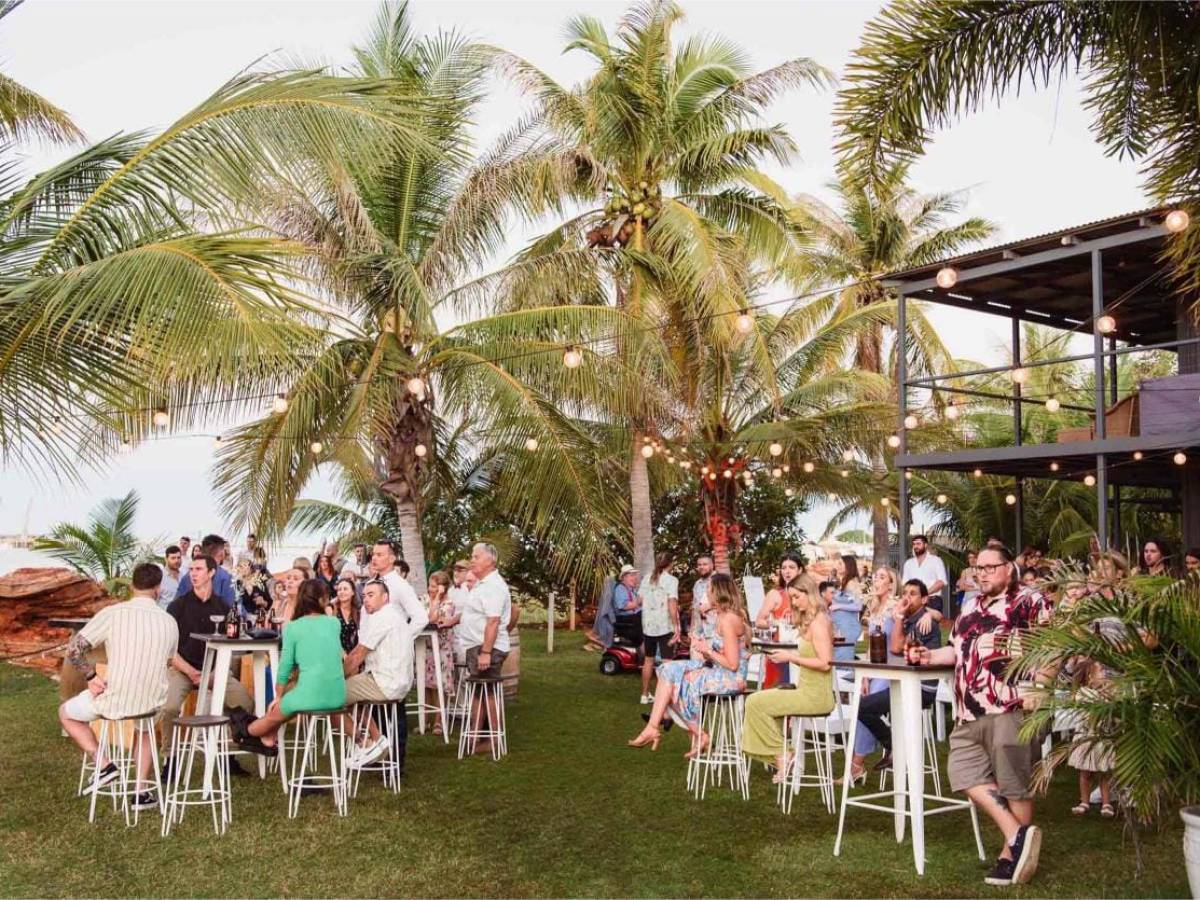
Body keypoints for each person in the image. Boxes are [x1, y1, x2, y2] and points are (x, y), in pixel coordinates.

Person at [913, 544, 1049, 886]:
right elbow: (956, 650)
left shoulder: (1030, 601)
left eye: (990, 567)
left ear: (1009, 569)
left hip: (1011, 706)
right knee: (961, 771)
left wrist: (1041, 688)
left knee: (1014, 784)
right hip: (969, 709)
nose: (983, 573)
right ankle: (1018, 835)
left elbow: (1053, 647)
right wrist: (928, 658)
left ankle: (1010, 858)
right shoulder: (971, 605)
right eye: (979, 569)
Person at [60, 563, 177, 810]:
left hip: (115, 699)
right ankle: (140, 792)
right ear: (158, 589)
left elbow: (74, 650)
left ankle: (104, 765)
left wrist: (91, 676)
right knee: (144, 727)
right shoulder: (169, 622)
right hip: (152, 701)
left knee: (66, 713)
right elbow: (168, 660)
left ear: (132, 585)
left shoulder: (113, 614)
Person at [628, 573, 750, 754]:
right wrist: (704, 649)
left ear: (718, 593)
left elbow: (732, 664)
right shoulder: (723, 617)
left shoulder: (728, 619)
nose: (706, 594)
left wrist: (708, 650)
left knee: (677, 682)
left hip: (731, 679)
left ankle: (691, 732)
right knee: (667, 671)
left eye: (709, 590)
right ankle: (656, 726)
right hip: (719, 671)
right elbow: (723, 656)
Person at [235, 580, 346, 755]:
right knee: (289, 702)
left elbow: (286, 666)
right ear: (322, 600)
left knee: (276, 712)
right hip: (338, 694)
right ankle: (266, 738)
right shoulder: (334, 623)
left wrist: (278, 696)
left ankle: (245, 731)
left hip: (310, 696)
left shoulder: (293, 628)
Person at [850, 579, 944, 779]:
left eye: (913, 594)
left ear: (924, 599)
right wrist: (901, 616)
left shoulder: (924, 621)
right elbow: (895, 647)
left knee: (863, 707)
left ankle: (895, 746)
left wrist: (907, 616)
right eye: (905, 593)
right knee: (863, 706)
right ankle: (895, 746)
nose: (907, 598)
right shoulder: (910, 619)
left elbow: (896, 647)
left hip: (921, 688)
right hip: (905, 685)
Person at [161, 556, 253, 757]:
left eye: (198, 569)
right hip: (183, 670)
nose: (193, 573)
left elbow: (229, 646)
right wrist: (191, 672)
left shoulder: (224, 607)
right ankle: (170, 758)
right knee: (169, 708)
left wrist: (213, 674)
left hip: (215, 671)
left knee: (244, 702)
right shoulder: (177, 606)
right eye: (191, 569)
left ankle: (227, 755)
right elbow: (168, 649)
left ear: (211, 572)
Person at [742, 584, 834, 777]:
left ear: (809, 594)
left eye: (797, 597)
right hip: (804, 690)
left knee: (755, 703)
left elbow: (825, 663)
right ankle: (781, 753)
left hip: (815, 697)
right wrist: (788, 655)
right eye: (791, 597)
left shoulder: (818, 622)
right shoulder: (811, 621)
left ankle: (782, 753)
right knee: (756, 702)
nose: (793, 602)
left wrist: (791, 658)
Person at [339, 578, 415, 768]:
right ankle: (374, 739)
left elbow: (358, 655)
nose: (365, 600)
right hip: (395, 681)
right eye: (364, 596)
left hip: (386, 682)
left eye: (371, 595)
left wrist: (336, 676)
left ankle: (369, 743)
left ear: (385, 597)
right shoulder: (394, 616)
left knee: (331, 695)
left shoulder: (383, 617)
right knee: (349, 690)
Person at [459, 542, 511, 755]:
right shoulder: (482, 584)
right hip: (477, 646)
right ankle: (476, 737)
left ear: (490, 560)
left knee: (487, 692)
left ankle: (494, 739)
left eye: (476, 556)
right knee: (480, 692)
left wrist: (486, 652)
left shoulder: (493, 586)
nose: (472, 560)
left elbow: (493, 621)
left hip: (487, 647)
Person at [756, 551, 816, 687]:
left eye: (791, 567)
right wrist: (777, 624)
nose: (787, 571)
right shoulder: (775, 594)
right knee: (777, 691)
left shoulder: (809, 595)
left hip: (803, 650)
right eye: (784, 568)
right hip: (780, 650)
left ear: (800, 570)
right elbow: (759, 621)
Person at [637, 553, 680, 705]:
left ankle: (644, 694)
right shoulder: (671, 580)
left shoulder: (647, 577)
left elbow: (639, 600)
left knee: (648, 660)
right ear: (670, 564)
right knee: (667, 662)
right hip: (664, 625)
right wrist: (675, 625)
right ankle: (665, 697)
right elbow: (672, 604)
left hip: (648, 625)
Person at [364, 540, 428, 633]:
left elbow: (421, 618)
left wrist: (403, 639)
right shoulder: (370, 584)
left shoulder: (400, 585)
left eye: (379, 555)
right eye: (373, 554)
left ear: (391, 559)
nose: (374, 558)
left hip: (392, 644)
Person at [423, 570, 458, 716]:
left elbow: (432, 618)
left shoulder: (449, 603)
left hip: (442, 648)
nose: (431, 589)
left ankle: (439, 720)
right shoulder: (423, 599)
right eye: (430, 586)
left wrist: (437, 598)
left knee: (441, 685)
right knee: (426, 684)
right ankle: (426, 718)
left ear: (443, 588)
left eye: (434, 587)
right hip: (425, 647)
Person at [174, 534, 236, 606]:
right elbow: (229, 606)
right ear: (221, 553)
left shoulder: (188, 576)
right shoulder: (227, 578)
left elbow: (176, 604)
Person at [902, 534, 948, 612]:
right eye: (914, 544)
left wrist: (925, 594)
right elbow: (905, 584)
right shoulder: (908, 563)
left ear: (925, 545)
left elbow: (941, 582)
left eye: (918, 544)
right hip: (913, 602)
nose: (915, 546)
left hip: (932, 601)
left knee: (930, 624)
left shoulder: (936, 560)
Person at [830, 555, 864, 652]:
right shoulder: (843, 582)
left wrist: (838, 606)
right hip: (840, 627)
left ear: (848, 565)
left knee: (844, 658)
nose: (838, 566)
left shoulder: (852, 583)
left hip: (848, 628)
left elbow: (859, 606)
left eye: (841, 564)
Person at [612, 564, 642, 647]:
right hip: (626, 620)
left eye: (635, 576)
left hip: (634, 618)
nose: (635, 578)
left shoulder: (632, 590)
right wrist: (639, 601)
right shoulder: (620, 589)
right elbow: (624, 606)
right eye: (631, 576)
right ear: (624, 577)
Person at [235, 554, 271, 619]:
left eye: (245, 565)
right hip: (242, 620)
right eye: (240, 566)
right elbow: (233, 605)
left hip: (258, 618)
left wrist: (263, 602)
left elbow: (269, 603)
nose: (242, 568)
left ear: (251, 568)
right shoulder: (237, 584)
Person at [331, 575, 360, 653]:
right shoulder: (332, 610)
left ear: (353, 592)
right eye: (339, 589)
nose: (342, 592)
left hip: (353, 656)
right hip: (336, 654)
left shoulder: (358, 612)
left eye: (345, 589)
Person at [159, 544, 184, 608]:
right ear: (166, 559)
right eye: (173, 558)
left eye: (179, 558)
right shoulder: (159, 577)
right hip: (165, 615)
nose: (176, 561)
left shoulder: (184, 576)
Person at [956, 550, 980, 617]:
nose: (972, 560)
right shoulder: (965, 572)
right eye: (970, 558)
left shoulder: (982, 571)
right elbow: (961, 587)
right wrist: (976, 588)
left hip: (980, 599)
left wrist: (976, 582)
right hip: (968, 599)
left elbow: (984, 586)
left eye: (974, 557)